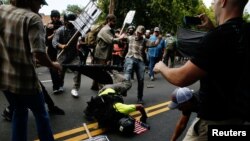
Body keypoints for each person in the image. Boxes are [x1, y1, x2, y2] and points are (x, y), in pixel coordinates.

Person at [154, 0, 249, 140]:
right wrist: (213, 28)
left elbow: (182, 77)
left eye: (215, 1)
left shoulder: (217, 38)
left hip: (213, 121)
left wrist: (162, 67)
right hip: (239, 119)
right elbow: (230, 51)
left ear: (223, 2)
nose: (213, 5)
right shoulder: (245, 32)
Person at [0, 0, 62, 140]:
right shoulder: (33, 18)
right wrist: (53, 65)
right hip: (25, 81)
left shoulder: (2, 10)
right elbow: (39, 54)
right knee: (41, 114)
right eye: (40, 2)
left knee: (19, 111)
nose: (41, 6)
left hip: (5, 79)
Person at [84, 73, 148, 134]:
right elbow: (140, 106)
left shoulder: (119, 109)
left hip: (108, 89)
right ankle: (113, 73)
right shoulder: (111, 120)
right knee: (126, 83)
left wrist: (144, 117)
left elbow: (140, 107)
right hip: (105, 92)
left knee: (125, 84)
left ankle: (113, 72)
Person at [124, 25, 162, 104]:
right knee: (127, 74)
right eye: (138, 32)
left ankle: (140, 98)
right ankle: (124, 89)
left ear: (143, 34)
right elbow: (118, 40)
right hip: (130, 58)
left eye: (140, 33)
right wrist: (118, 37)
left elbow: (154, 44)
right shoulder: (130, 38)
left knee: (141, 80)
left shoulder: (145, 41)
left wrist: (159, 39)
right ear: (135, 32)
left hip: (140, 60)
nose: (138, 34)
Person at [91, 14, 124, 90]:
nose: (115, 23)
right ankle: (100, 87)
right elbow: (111, 40)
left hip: (103, 53)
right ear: (109, 21)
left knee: (99, 70)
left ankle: (95, 85)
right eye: (114, 21)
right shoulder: (105, 30)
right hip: (101, 54)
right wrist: (120, 38)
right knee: (101, 71)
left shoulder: (109, 29)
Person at [52, 12, 82, 98]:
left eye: (74, 22)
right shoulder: (60, 30)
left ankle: (75, 88)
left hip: (74, 55)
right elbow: (54, 42)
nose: (72, 24)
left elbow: (84, 36)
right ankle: (60, 85)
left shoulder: (77, 30)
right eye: (70, 22)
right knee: (61, 72)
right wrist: (61, 46)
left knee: (78, 69)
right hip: (62, 55)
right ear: (65, 21)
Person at [45, 10, 63, 94]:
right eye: (54, 17)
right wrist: (54, 33)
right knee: (53, 68)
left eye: (57, 17)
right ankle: (55, 87)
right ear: (52, 17)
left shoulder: (61, 24)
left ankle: (60, 85)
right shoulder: (49, 26)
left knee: (60, 68)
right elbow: (47, 39)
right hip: (51, 50)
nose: (56, 18)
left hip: (60, 49)